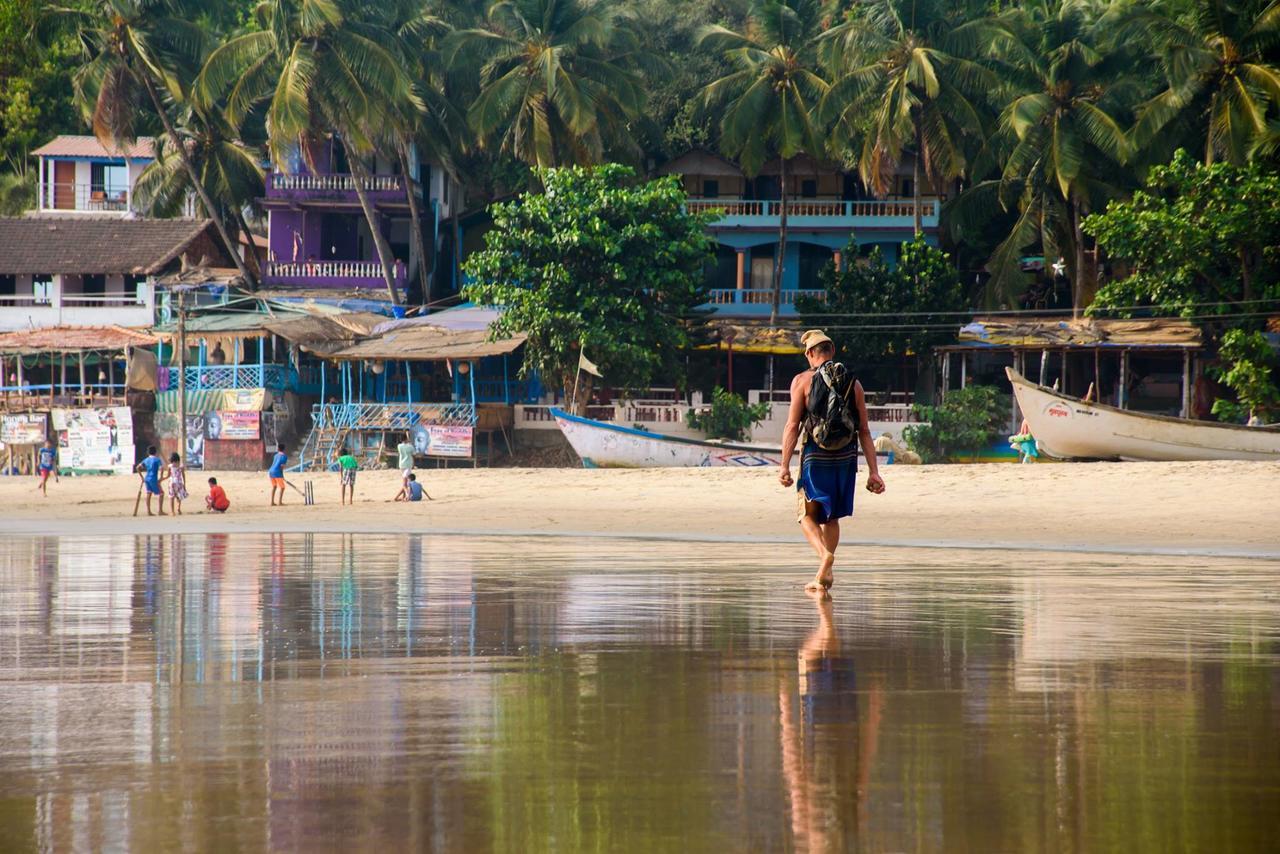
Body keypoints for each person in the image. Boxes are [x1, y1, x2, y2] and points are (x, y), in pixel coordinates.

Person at [780, 330, 884, 592]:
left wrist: (783, 466)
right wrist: (874, 472)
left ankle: (824, 557)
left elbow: (793, 425)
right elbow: (864, 431)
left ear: (810, 353)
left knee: (806, 515)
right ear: (832, 351)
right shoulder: (854, 384)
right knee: (832, 517)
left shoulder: (802, 381)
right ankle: (824, 575)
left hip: (816, 455)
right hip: (846, 456)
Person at [135, 445, 166, 516]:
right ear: (155, 452)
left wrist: (142, 477)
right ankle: (160, 511)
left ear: (148, 452)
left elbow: (137, 467)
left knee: (149, 493)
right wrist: (161, 477)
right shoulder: (157, 459)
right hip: (153, 478)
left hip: (147, 478)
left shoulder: (146, 460)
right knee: (161, 493)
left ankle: (149, 511)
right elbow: (161, 468)